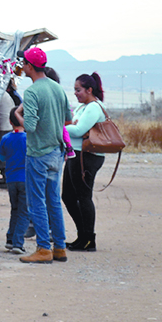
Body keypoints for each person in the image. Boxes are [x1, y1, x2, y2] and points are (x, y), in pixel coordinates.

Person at [14, 47, 72, 264]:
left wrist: (16, 116)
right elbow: (67, 119)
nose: (22, 67)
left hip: (38, 153)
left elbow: (30, 126)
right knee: (54, 201)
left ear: (29, 66)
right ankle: (60, 247)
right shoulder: (57, 88)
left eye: (24, 64)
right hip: (57, 152)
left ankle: (43, 249)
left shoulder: (31, 92)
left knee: (37, 202)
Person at [63, 72, 107, 252]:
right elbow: (75, 128)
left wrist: (60, 127)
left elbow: (80, 129)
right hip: (76, 155)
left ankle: (88, 239)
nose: (75, 93)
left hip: (87, 156)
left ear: (89, 90)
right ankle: (82, 236)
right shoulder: (83, 107)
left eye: (78, 90)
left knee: (83, 196)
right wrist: (69, 128)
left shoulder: (94, 107)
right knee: (68, 196)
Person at [0, 107, 29, 255]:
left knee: (15, 210)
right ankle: (18, 242)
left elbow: (2, 158)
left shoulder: (5, 138)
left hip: (11, 179)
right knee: (24, 212)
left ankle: (10, 239)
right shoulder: (28, 139)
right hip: (25, 179)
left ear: (10, 121)